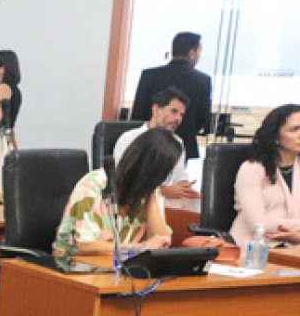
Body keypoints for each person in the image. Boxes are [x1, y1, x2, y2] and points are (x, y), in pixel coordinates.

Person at [52, 129, 179, 267]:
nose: (163, 180)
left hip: (119, 267)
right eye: (161, 174)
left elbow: (162, 241)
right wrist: (141, 248)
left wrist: (151, 197)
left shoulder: (151, 193)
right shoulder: (93, 186)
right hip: (74, 267)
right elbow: (86, 246)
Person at [229, 103, 300, 247]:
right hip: (252, 248)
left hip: (294, 250)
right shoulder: (252, 169)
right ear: (275, 136)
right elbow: (259, 223)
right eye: (295, 129)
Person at [130, 31, 213, 159]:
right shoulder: (202, 80)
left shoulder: (149, 76)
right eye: (199, 52)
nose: (199, 56)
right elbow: (202, 119)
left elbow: (137, 114)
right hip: (183, 145)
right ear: (191, 53)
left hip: (148, 142)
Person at [111, 88, 197, 199]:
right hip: (134, 203)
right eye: (174, 111)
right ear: (156, 110)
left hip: (168, 205)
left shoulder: (177, 142)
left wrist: (186, 189)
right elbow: (121, 182)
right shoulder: (129, 138)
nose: (178, 119)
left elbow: (179, 176)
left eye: (181, 115)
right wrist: (164, 191)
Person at [0, 49, 22, 138]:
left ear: (2, 69)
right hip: (8, 135)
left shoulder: (2, 88)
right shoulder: (15, 89)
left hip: (0, 137)